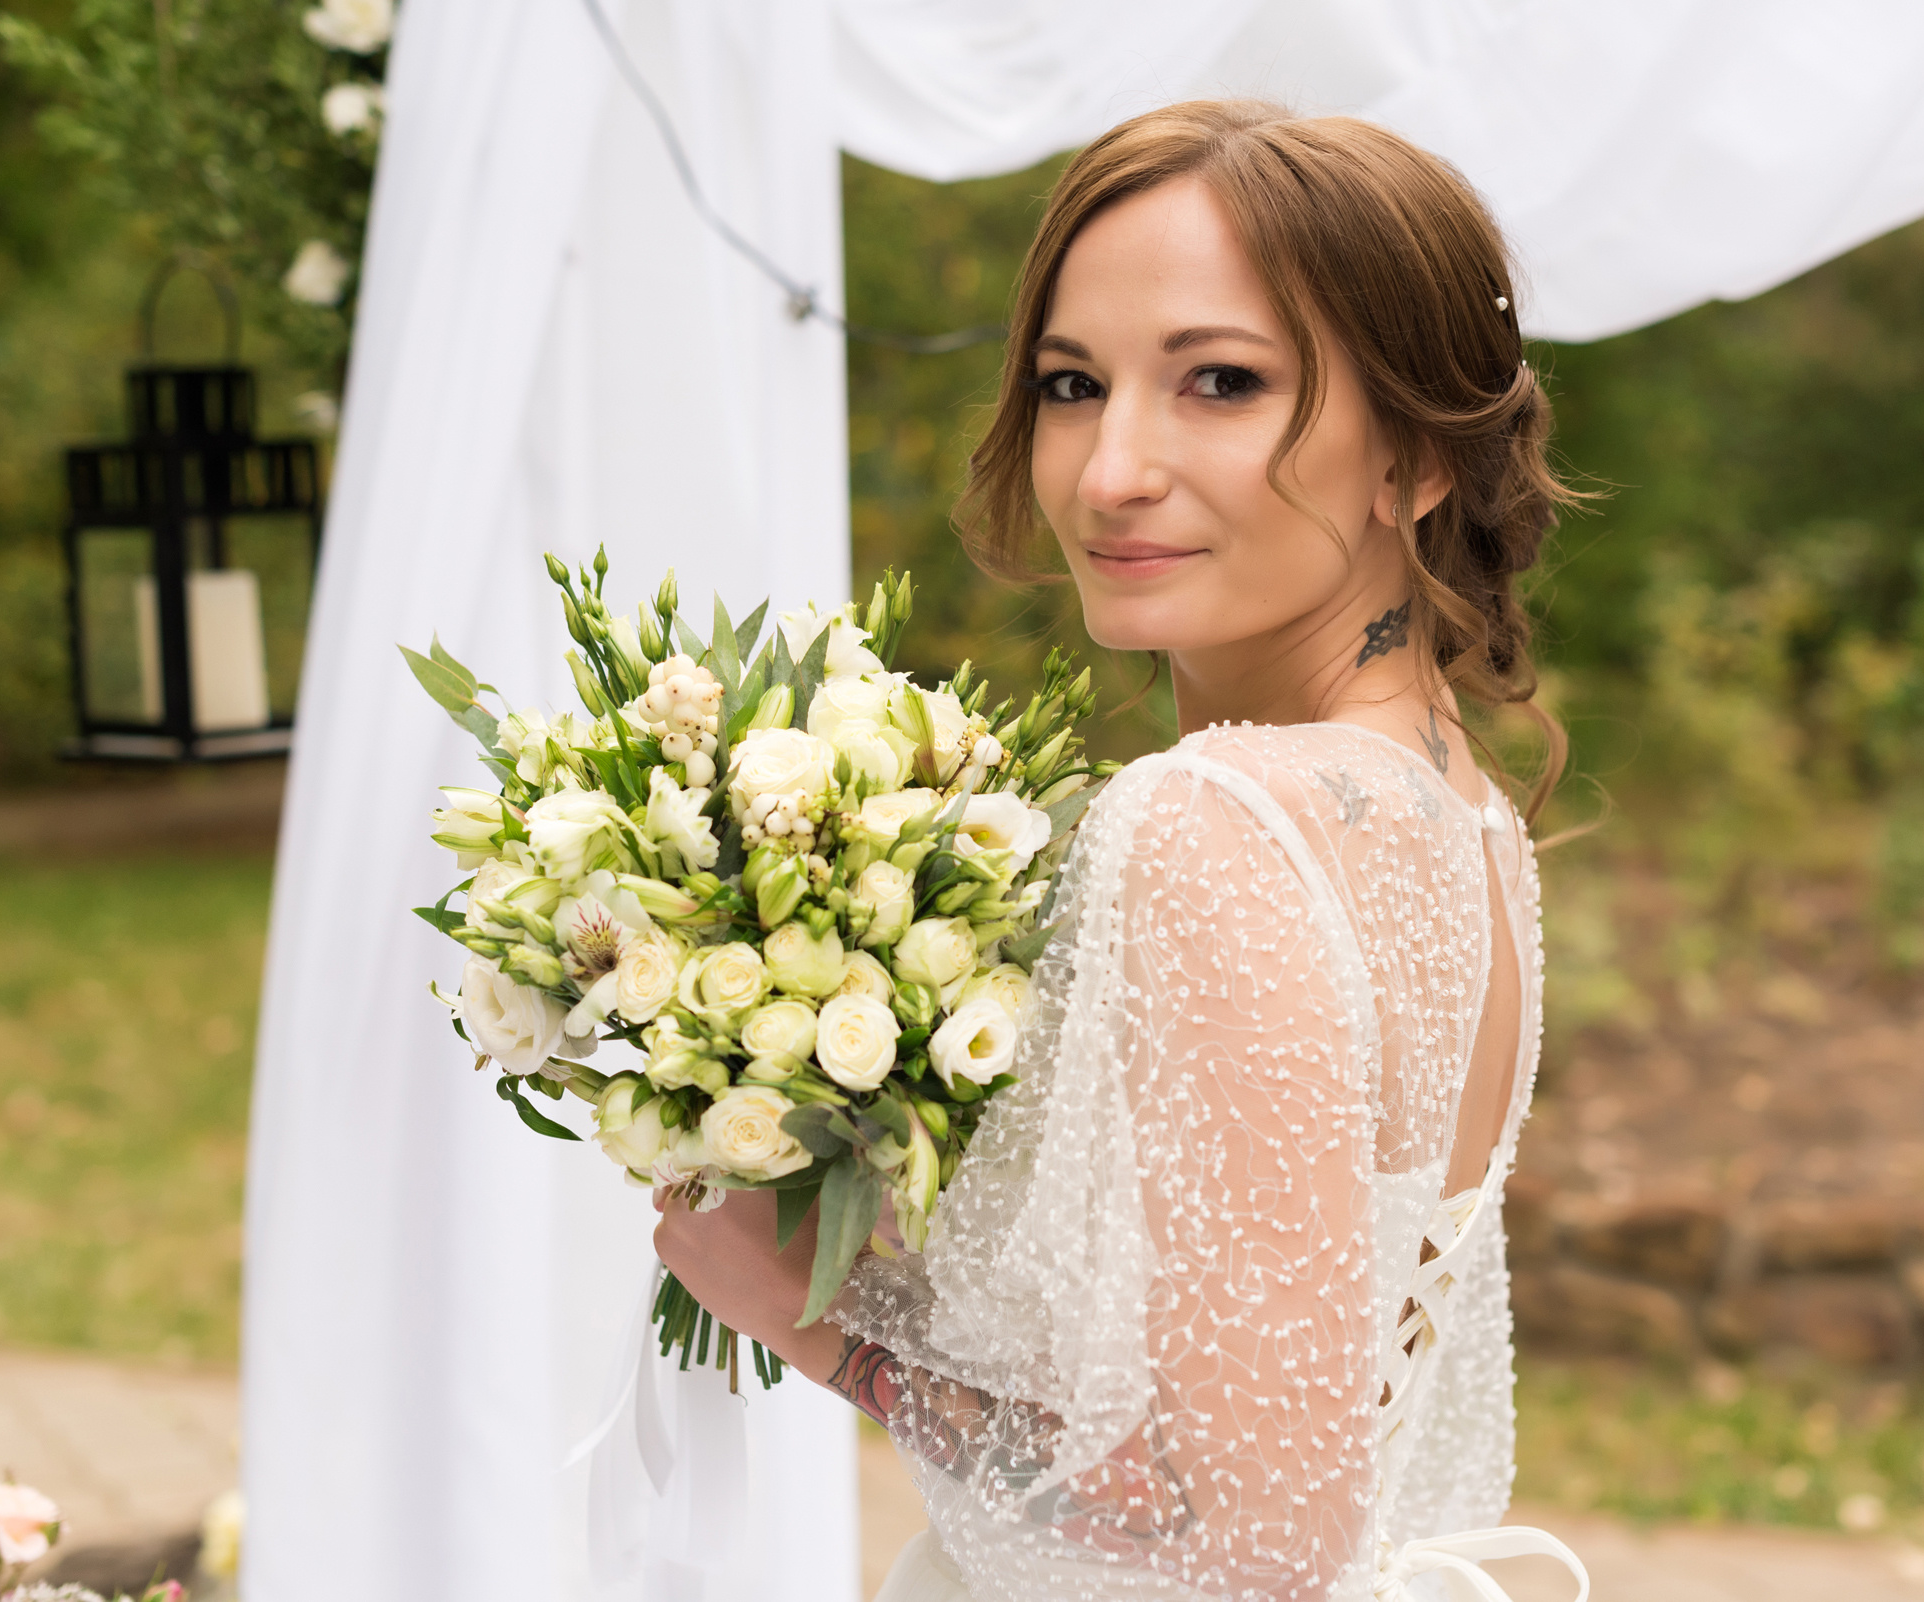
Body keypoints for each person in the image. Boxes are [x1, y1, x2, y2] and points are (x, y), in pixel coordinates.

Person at [657, 99, 1587, 1602]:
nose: (1109, 471)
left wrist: (819, 1312)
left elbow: (1242, 1528)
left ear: (1416, 452)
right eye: (1074, 385)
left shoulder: (1216, 821)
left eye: (1221, 382)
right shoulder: (1464, 821)